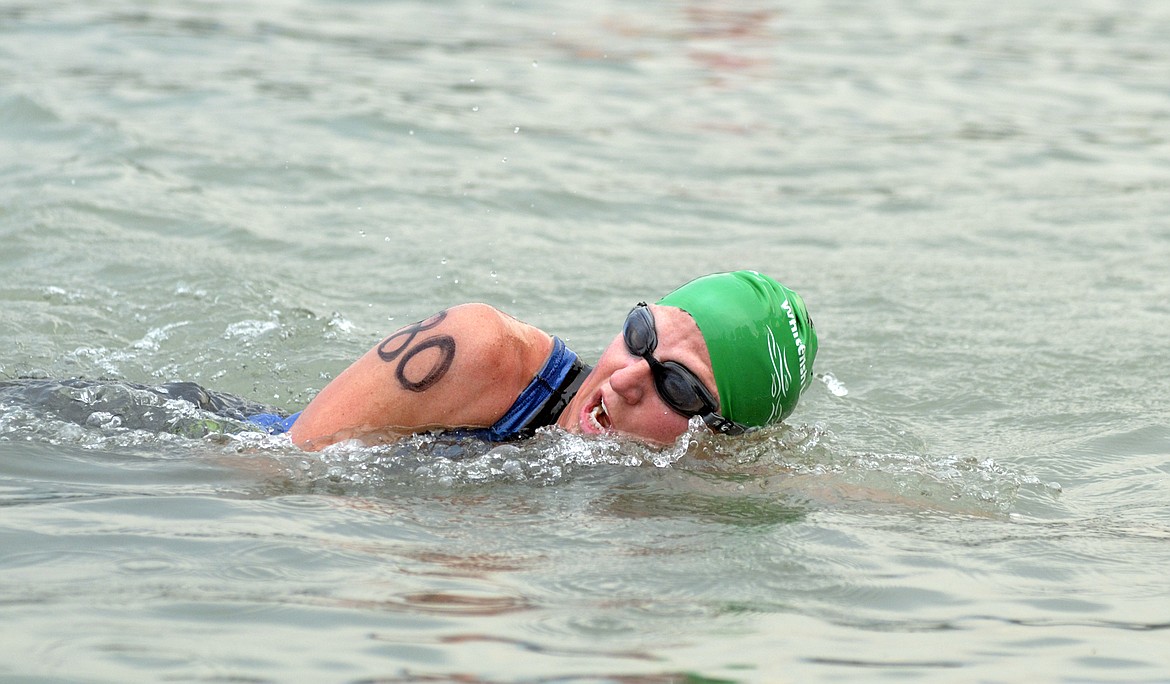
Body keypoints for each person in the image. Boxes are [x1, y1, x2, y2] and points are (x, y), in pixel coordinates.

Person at [255, 270, 818, 451]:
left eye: (678, 387)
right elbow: (278, 477)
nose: (624, 377)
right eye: (639, 333)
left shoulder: (705, 480)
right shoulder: (478, 351)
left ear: (720, 440)